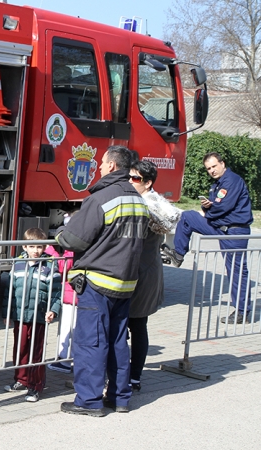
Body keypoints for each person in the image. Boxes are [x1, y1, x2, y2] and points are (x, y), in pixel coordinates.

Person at [55, 145, 149, 416]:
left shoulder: (101, 199)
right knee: (118, 342)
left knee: (91, 343)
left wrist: (61, 230)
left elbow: (74, 240)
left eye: (101, 162)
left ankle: (88, 400)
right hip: (125, 283)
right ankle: (120, 398)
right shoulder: (136, 199)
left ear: (111, 166)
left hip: (98, 283)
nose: (97, 166)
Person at [162, 152, 253, 324]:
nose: (212, 170)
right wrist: (207, 208)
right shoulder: (217, 185)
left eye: (214, 166)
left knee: (237, 272)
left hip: (235, 232)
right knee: (188, 217)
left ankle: (242, 311)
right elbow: (214, 208)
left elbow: (222, 208)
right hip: (222, 230)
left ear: (222, 164)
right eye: (208, 168)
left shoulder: (231, 180)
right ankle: (178, 253)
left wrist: (209, 210)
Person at [128, 160, 182, 391]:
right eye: (129, 177)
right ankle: (127, 374)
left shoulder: (151, 206)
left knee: (137, 325)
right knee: (128, 325)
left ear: (148, 183)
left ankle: (133, 376)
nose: (131, 181)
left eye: (136, 178)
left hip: (143, 273)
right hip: (135, 271)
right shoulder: (142, 201)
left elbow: (169, 223)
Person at [2, 227, 62, 403]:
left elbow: (56, 292)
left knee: (36, 352)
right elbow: (9, 291)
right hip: (20, 315)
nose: (36, 251)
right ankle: (21, 379)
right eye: (32, 246)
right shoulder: (17, 264)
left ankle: (35, 386)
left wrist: (53, 309)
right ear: (24, 247)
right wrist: (6, 312)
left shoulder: (49, 267)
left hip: (39, 316)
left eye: (40, 247)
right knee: (20, 349)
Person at [45, 211, 77, 375]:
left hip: (71, 295)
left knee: (67, 329)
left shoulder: (72, 248)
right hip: (77, 295)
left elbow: (64, 267)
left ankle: (63, 361)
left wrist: (52, 253)